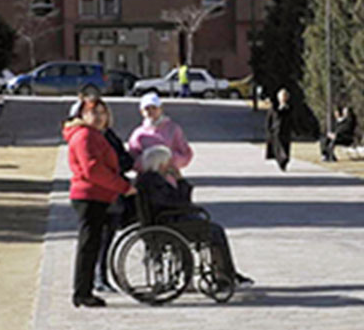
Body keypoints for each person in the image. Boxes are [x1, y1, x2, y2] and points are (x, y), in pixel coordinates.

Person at [137, 144, 252, 290]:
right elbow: (179, 202)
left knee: (214, 230)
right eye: (168, 162)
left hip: (167, 221)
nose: (171, 165)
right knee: (216, 232)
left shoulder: (149, 180)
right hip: (170, 224)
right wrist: (180, 181)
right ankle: (225, 276)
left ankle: (225, 274)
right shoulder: (154, 182)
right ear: (160, 163)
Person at [65, 99, 133, 308]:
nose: (99, 117)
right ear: (82, 115)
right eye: (93, 113)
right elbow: (93, 170)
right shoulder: (85, 135)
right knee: (88, 246)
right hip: (89, 196)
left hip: (99, 196)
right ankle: (82, 293)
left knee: (92, 244)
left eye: (102, 113)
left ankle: (85, 290)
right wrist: (122, 187)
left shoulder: (96, 135)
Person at [126, 92, 193, 172]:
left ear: (160, 109)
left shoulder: (173, 129)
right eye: (147, 108)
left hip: (168, 174)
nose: (151, 111)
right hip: (146, 175)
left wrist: (169, 159)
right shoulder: (138, 133)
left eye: (154, 108)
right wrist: (146, 162)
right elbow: (132, 157)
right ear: (141, 112)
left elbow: (185, 154)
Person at [264, 88, 293, 172]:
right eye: (282, 97)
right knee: (279, 147)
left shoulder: (290, 107)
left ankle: (284, 162)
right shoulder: (274, 108)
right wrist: (268, 131)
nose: (283, 98)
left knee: (286, 146)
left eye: (285, 96)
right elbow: (269, 120)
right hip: (276, 132)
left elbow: (292, 119)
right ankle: (282, 160)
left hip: (286, 131)